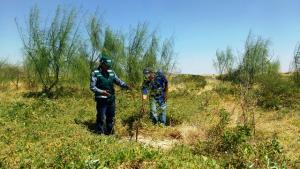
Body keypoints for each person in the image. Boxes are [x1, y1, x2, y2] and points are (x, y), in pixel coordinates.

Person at [90, 56, 130, 134]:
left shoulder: (111, 72)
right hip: (101, 99)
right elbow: (92, 87)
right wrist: (102, 92)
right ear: (101, 64)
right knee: (101, 117)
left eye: (109, 65)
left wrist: (126, 86)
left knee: (110, 117)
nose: (108, 67)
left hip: (111, 99)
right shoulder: (95, 73)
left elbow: (118, 81)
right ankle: (99, 133)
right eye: (106, 65)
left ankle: (110, 132)